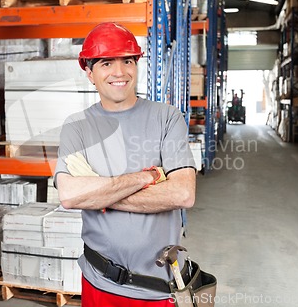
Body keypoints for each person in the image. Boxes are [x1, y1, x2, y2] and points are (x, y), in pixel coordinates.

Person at [54, 22, 197, 306]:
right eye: (107, 63)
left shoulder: (167, 118)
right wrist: (147, 178)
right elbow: (70, 196)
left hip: (157, 288)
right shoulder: (77, 127)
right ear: (89, 72)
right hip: (99, 280)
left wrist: (98, 195)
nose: (120, 72)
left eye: (128, 61)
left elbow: (182, 194)